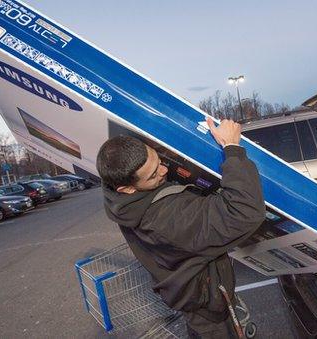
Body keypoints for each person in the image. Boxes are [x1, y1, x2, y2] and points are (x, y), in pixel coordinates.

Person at [96, 118, 266, 338]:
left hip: (187, 294)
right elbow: (244, 212)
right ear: (127, 189)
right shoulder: (167, 219)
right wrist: (232, 149)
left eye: (158, 161)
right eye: (153, 175)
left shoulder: (115, 192)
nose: (164, 170)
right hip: (206, 304)